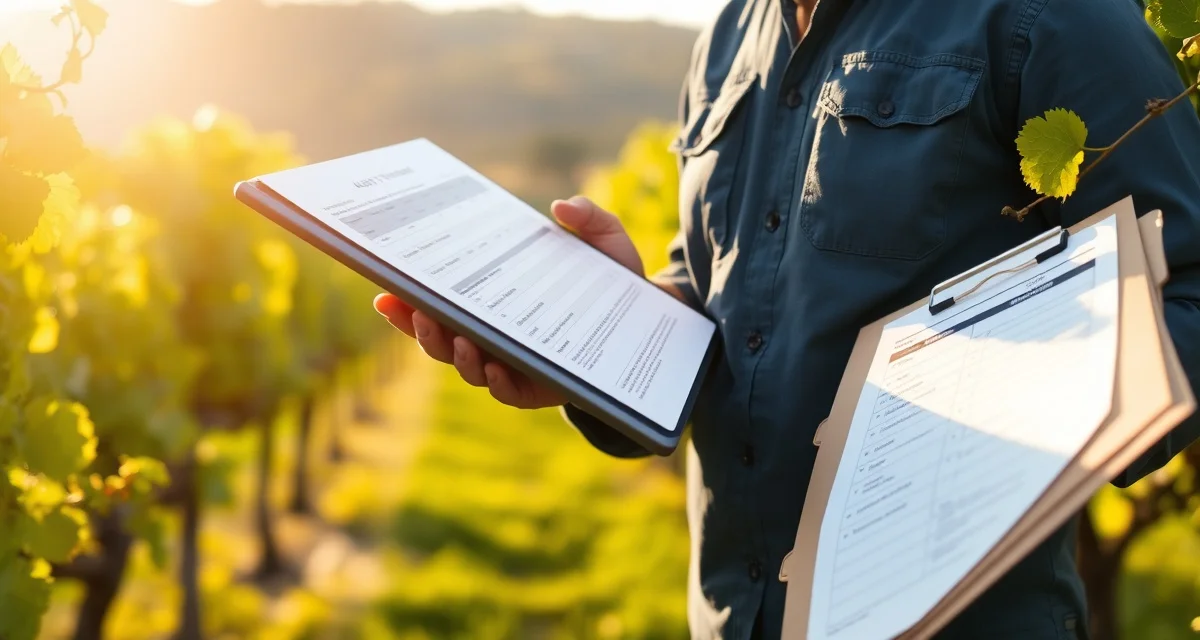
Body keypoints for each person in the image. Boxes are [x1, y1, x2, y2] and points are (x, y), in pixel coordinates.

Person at [374, 0, 1200, 637]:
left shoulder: (1047, 15)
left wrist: (980, 430)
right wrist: (592, 342)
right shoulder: (731, 33)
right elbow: (718, 291)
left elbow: (1189, 287)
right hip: (730, 613)